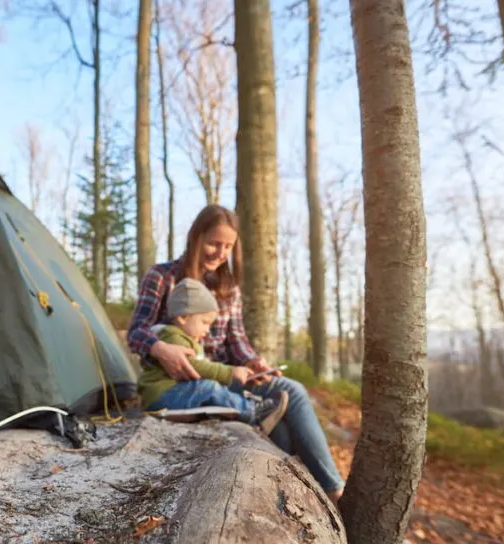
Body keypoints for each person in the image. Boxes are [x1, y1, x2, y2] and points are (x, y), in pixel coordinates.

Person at [127, 204, 345, 503]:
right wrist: (160, 348)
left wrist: (253, 362)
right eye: (214, 243)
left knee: (288, 397)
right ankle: (329, 492)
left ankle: (321, 493)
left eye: (227, 246)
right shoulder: (162, 277)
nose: (220, 252)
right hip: (186, 382)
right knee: (285, 410)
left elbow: (236, 341)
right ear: (195, 238)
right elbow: (136, 331)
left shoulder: (228, 287)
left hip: (230, 374)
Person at [137, 277, 289, 434]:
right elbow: (194, 366)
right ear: (182, 318)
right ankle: (253, 413)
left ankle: (246, 407)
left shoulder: (185, 338)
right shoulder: (172, 336)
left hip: (174, 394)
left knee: (210, 388)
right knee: (209, 388)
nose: (208, 330)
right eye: (204, 322)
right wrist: (230, 372)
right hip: (163, 396)